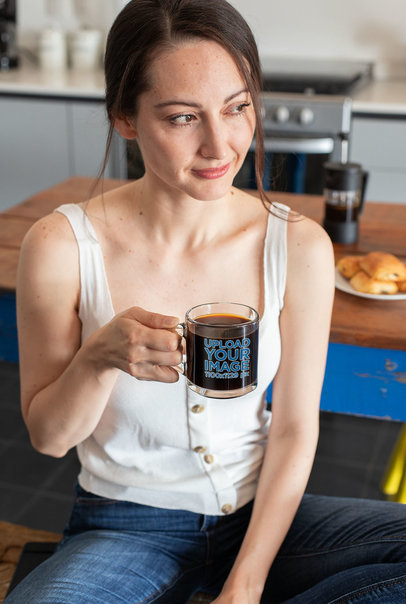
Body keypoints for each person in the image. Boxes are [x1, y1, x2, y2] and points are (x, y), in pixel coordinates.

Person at [5, 1, 406, 602]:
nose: (221, 146)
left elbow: (295, 429)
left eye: (237, 108)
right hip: (125, 526)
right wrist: (97, 358)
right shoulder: (62, 245)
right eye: (183, 117)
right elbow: (48, 437)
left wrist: (246, 582)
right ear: (125, 118)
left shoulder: (297, 244)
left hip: (267, 516)